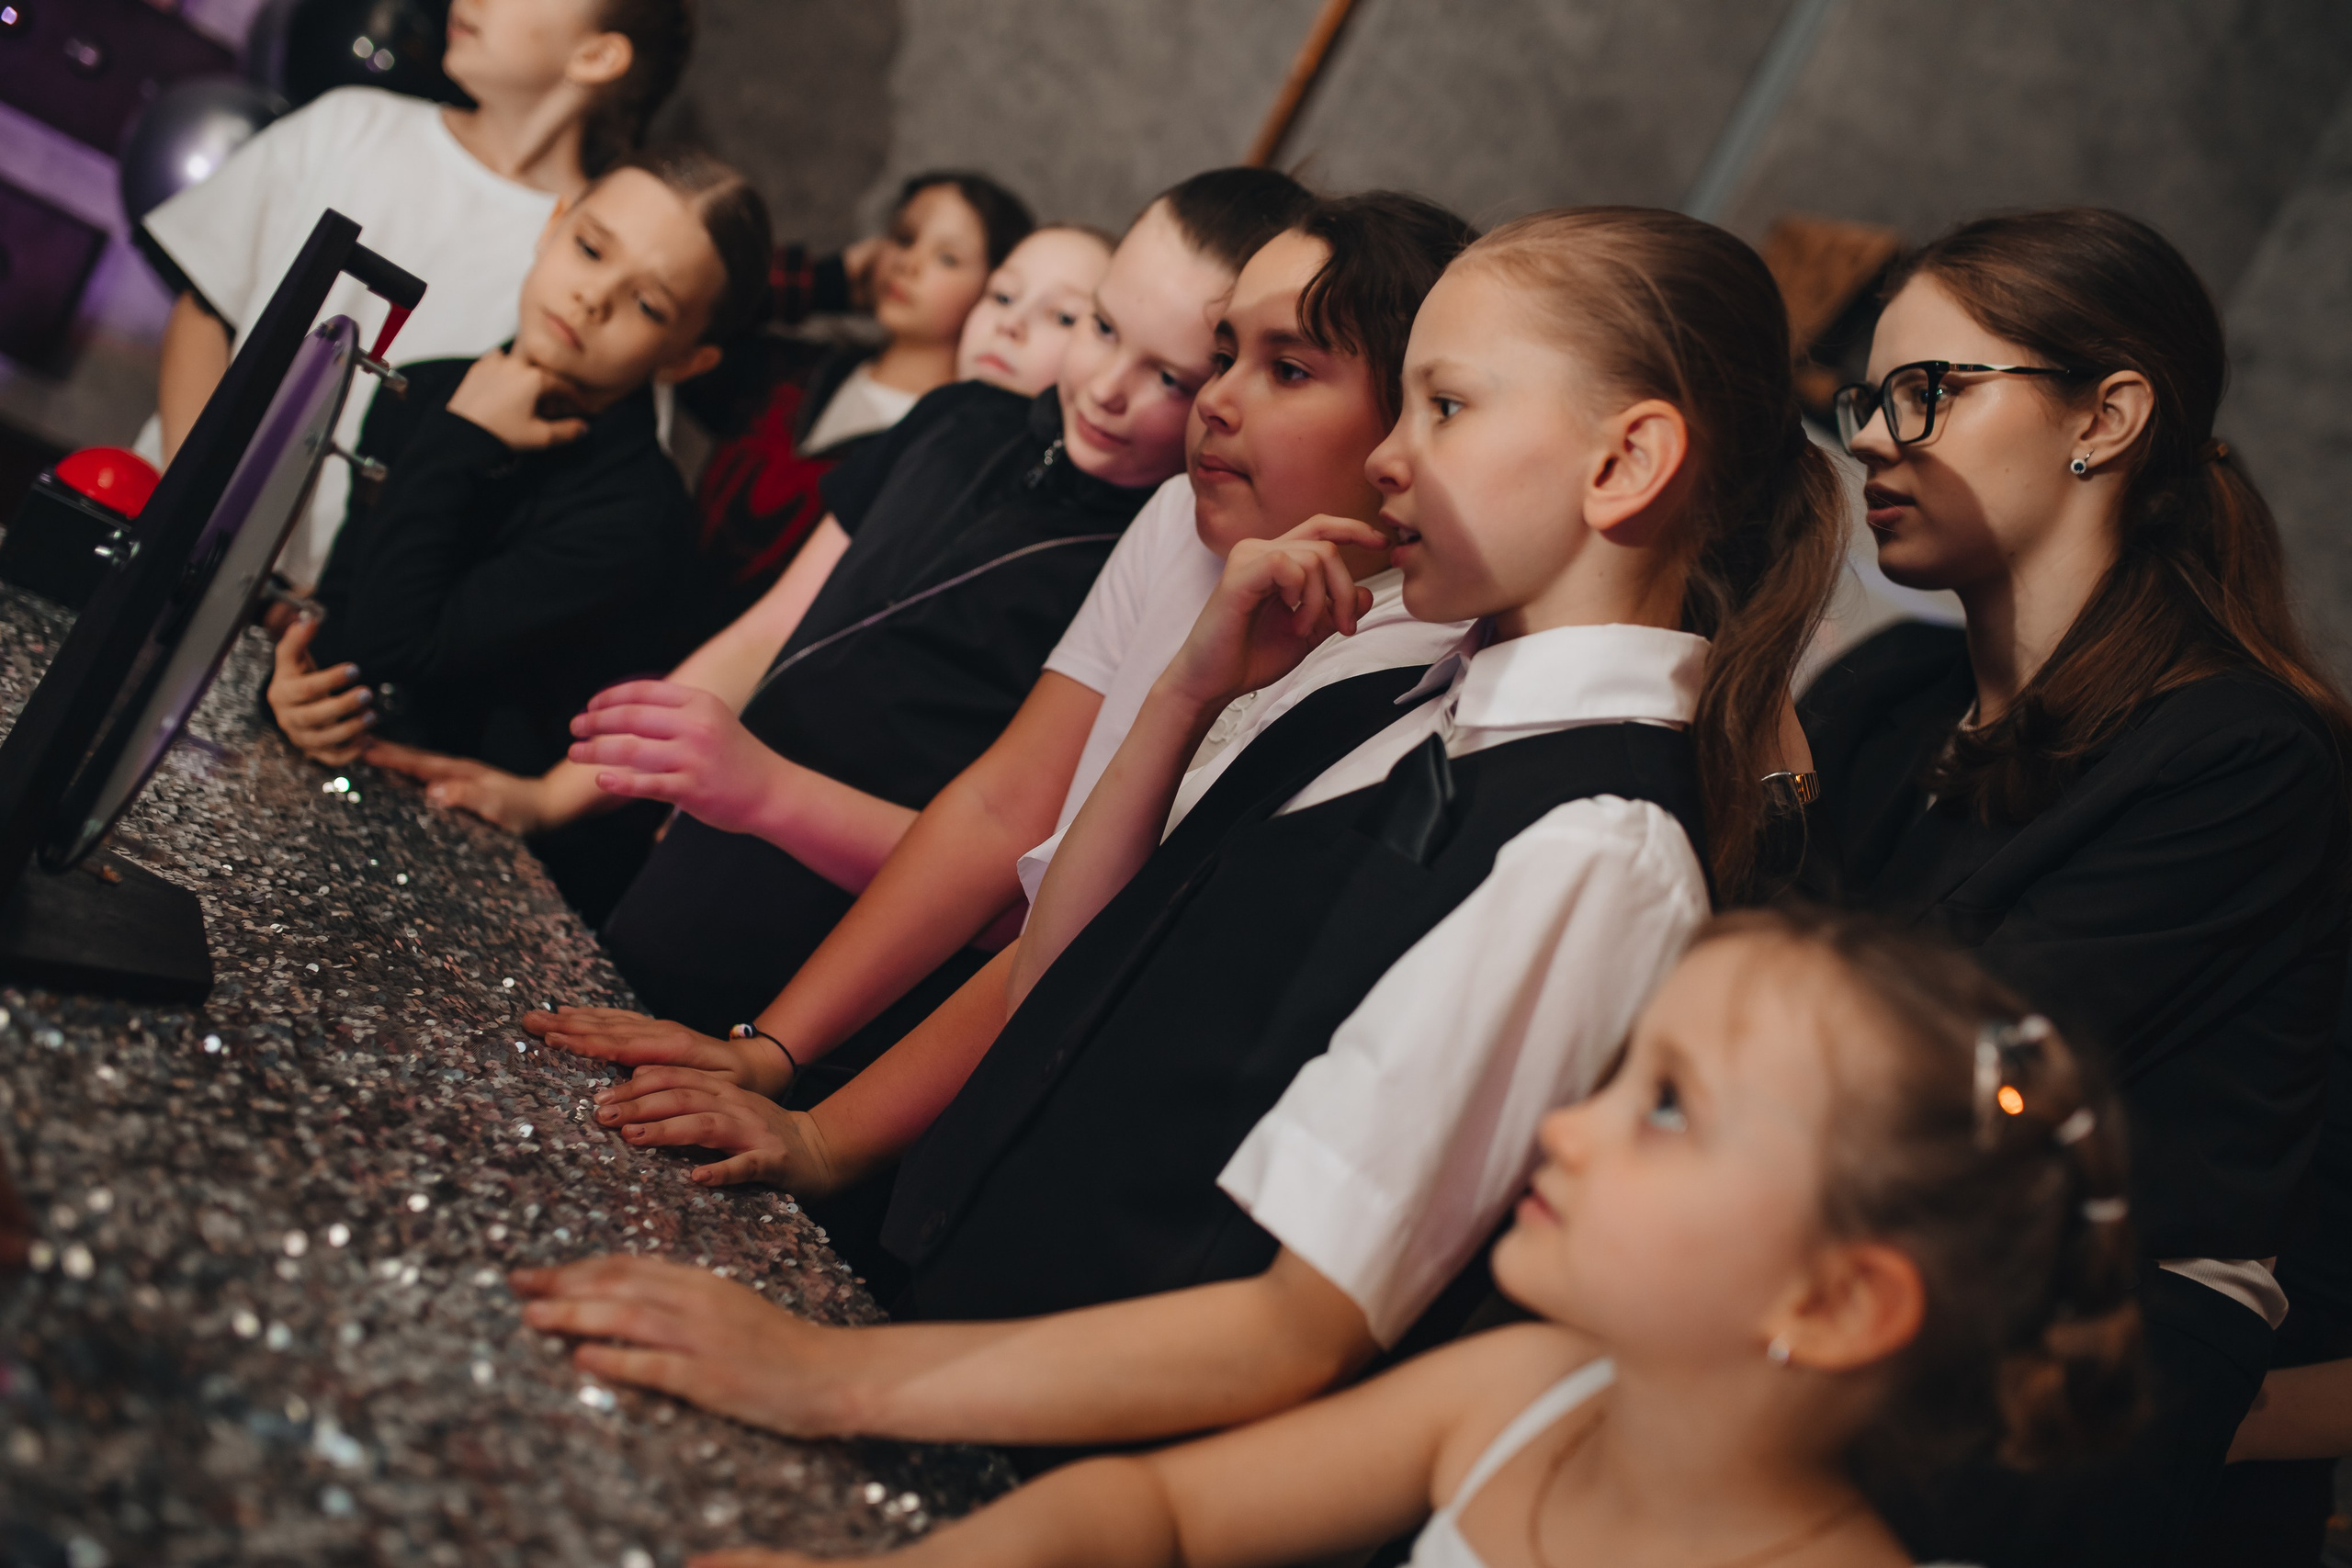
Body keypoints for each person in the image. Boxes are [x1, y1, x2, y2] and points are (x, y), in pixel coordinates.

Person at [513, 205, 1847, 1461]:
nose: (1392, 453)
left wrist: (831, 1374)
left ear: (1625, 462)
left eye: (1445, 405)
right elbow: (1080, 946)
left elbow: (1299, 1328)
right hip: (962, 1313)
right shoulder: (1398, 681)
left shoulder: (1599, 846)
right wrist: (1192, 688)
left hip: (1082, 1430)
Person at [677, 908, 2143, 1568]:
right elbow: (1158, 1514)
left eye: (1672, 1106)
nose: (1570, 1125)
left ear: (1834, 1299)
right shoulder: (1525, 1395)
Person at [523, 192, 1478, 1204]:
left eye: (1284, 369)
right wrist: (772, 1053)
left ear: (1406, 429)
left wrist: (823, 1131)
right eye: (1223, 354)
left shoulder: (1405, 663)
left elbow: (1073, 934)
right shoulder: (1171, 518)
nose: (1216, 399)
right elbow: (1004, 812)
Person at [1796, 207, 2352, 1567]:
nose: (1872, 434)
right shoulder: (1884, 698)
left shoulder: (2241, 762)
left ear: (2104, 417)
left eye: (1929, 392)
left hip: (2059, 1470)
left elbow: (1924, 1090)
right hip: (1841, 1353)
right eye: (1871, 397)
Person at [488, 167, 1306, 1030]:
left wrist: (762, 788)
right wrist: (547, 797)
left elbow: (1006, 881)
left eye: (1170, 379)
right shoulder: (956, 417)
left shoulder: (1148, 563)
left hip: (845, 974)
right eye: (1098, 327)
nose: (1107, 386)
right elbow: (770, 630)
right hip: (695, 879)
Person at [364, 218, 1115, 837]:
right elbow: (766, 633)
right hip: (709, 790)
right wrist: (553, 796)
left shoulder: (1091, 547)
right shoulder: (932, 435)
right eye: (1003, 293)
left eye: (1064, 315)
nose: (1011, 323)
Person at [264, 147, 769, 920]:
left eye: (649, 305)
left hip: (473, 880)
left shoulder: (638, 516)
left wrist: (460, 442)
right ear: (555, 223)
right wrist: (295, 688)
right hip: (327, 792)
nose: (593, 296)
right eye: (591, 248)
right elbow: (344, 625)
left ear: (688, 356)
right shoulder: (425, 383)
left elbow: (394, 653)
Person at [138, 0, 694, 587]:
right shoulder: (352, 124)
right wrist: (192, 511)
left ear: (597, 54)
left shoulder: (595, 261)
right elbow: (205, 311)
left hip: (317, 630)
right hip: (160, 537)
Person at [683, 174, 1039, 628]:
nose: (908, 263)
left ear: (994, 293)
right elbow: (691, 305)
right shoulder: (795, 374)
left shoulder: (948, 454)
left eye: (947, 257)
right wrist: (829, 281)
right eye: (903, 238)